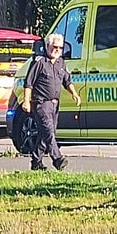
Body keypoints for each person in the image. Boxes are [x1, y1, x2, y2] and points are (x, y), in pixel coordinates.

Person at [21, 32, 80, 171]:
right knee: (48, 131)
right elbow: (28, 83)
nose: (57, 50)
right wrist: (26, 101)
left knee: (45, 132)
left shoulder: (61, 63)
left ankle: (36, 161)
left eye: (60, 47)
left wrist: (75, 94)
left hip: (55, 104)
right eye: (55, 47)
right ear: (48, 46)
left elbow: (67, 81)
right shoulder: (39, 63)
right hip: (41, 103)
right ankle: (58, 159)